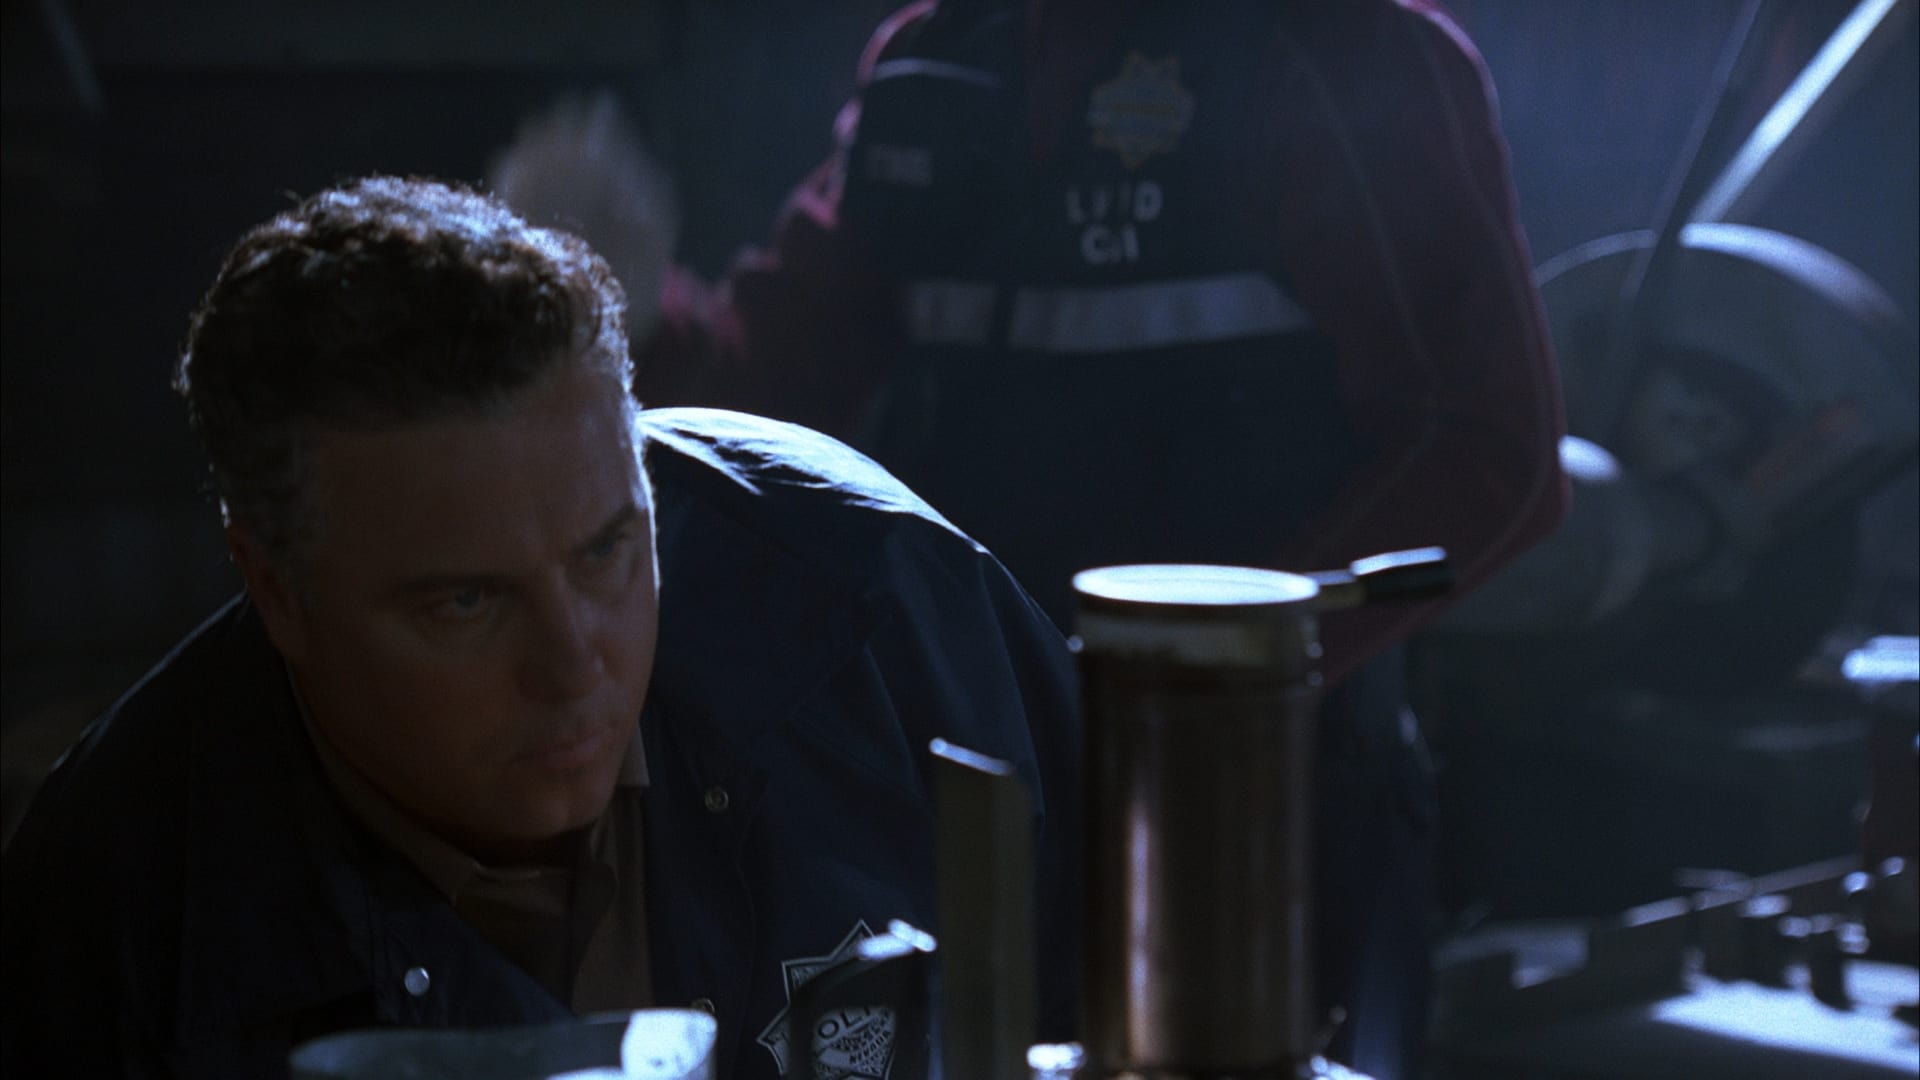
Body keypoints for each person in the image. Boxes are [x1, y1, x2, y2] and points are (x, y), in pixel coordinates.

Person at [491, 2, 1569, 1075]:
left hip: (1258, 803)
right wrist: (604, 298)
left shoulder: (1342, 52)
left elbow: (1488, 453)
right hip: (983, 801)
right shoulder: (936, 57)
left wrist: (1195, 683)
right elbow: (758, 391)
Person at [0, 176, 1080, 1080]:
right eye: (467, 602)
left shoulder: (878, 606)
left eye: (607, 550)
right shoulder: (119, 906)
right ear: (277, 590)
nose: (575, 664)